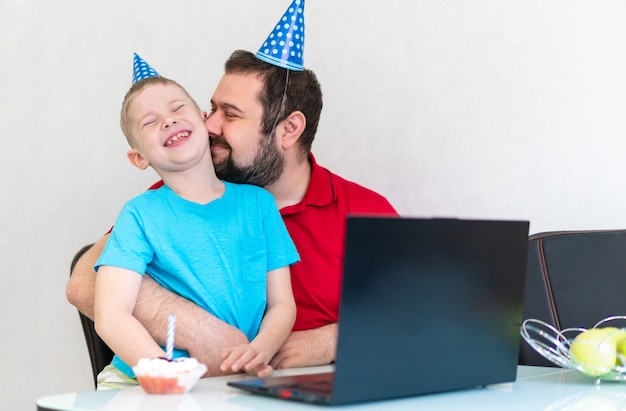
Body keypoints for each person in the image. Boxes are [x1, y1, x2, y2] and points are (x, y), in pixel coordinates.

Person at [68, 1, 397, 376]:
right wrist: (206, 334)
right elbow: (84, 283)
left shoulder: (367, 210)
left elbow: (419, 317)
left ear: (289, 129)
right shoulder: (179, 191)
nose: (209, 126)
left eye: (232, 114)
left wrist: (332, 341)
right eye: (211, 109)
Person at [93, 70, 299, 389]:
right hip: (140, 380)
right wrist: (164, 373)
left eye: (177, 108)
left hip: (233, 379)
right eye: (150, 122)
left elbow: (282, 305)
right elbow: (111, 316)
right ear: (138, 158)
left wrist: (259, 351)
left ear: (205, 122)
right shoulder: (139, 214)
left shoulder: (259, 205)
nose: (168, 121)